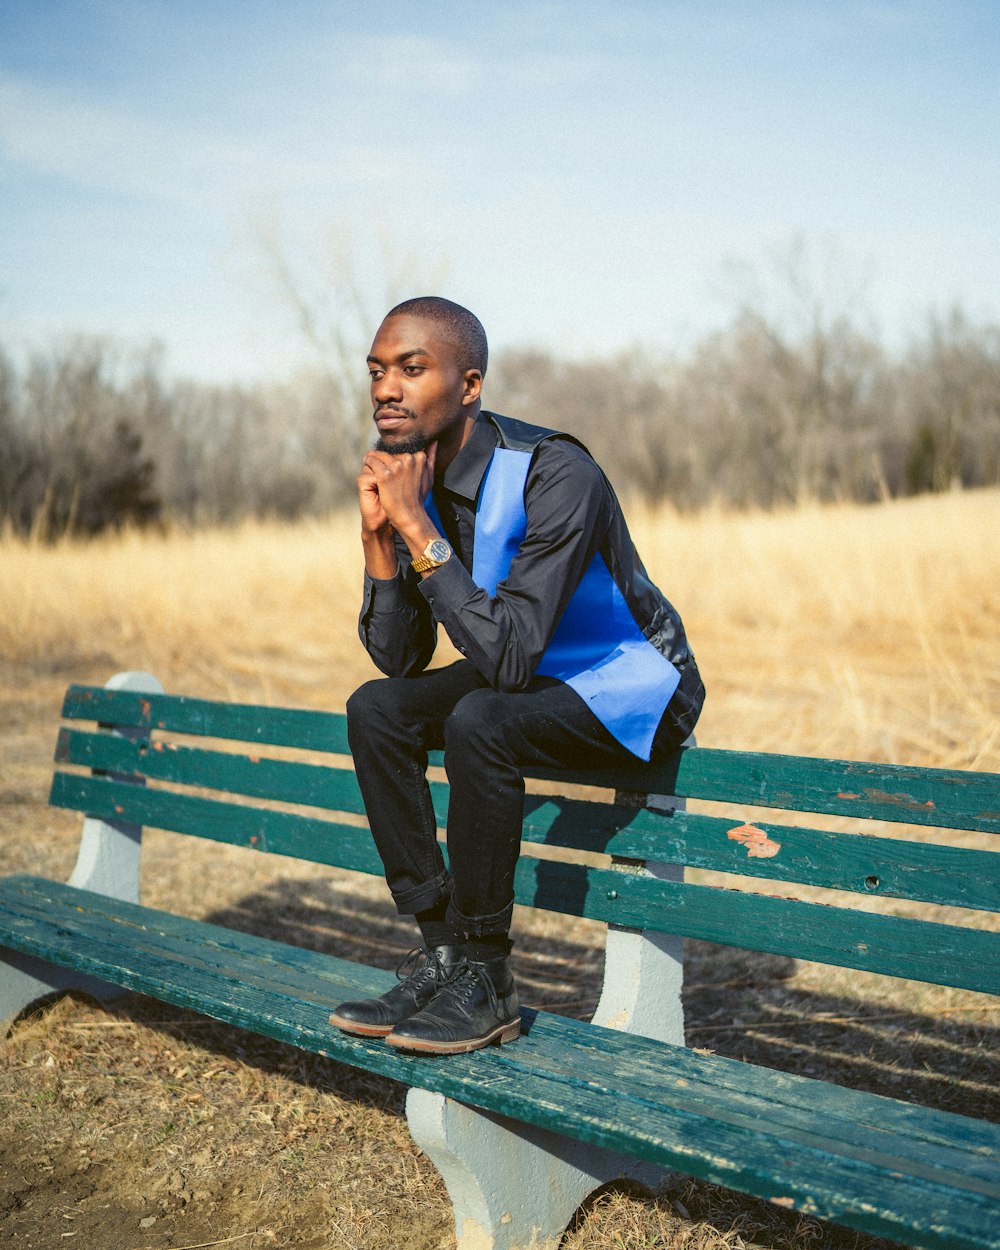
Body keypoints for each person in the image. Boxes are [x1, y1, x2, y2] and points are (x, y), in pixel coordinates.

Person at [329, 297, 704, 1056]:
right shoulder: (416, 476)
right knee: (377, 710)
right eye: (376, 371)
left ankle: (489, 975)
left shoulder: (556, 471)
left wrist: (418, 530)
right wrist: (378, 542)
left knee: (480, 721)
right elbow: (402, 661)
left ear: (469, 385)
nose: (385, 389)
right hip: (530, 678)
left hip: (635, 683)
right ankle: (443, 955)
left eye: (411, 368)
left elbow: (504, 661)